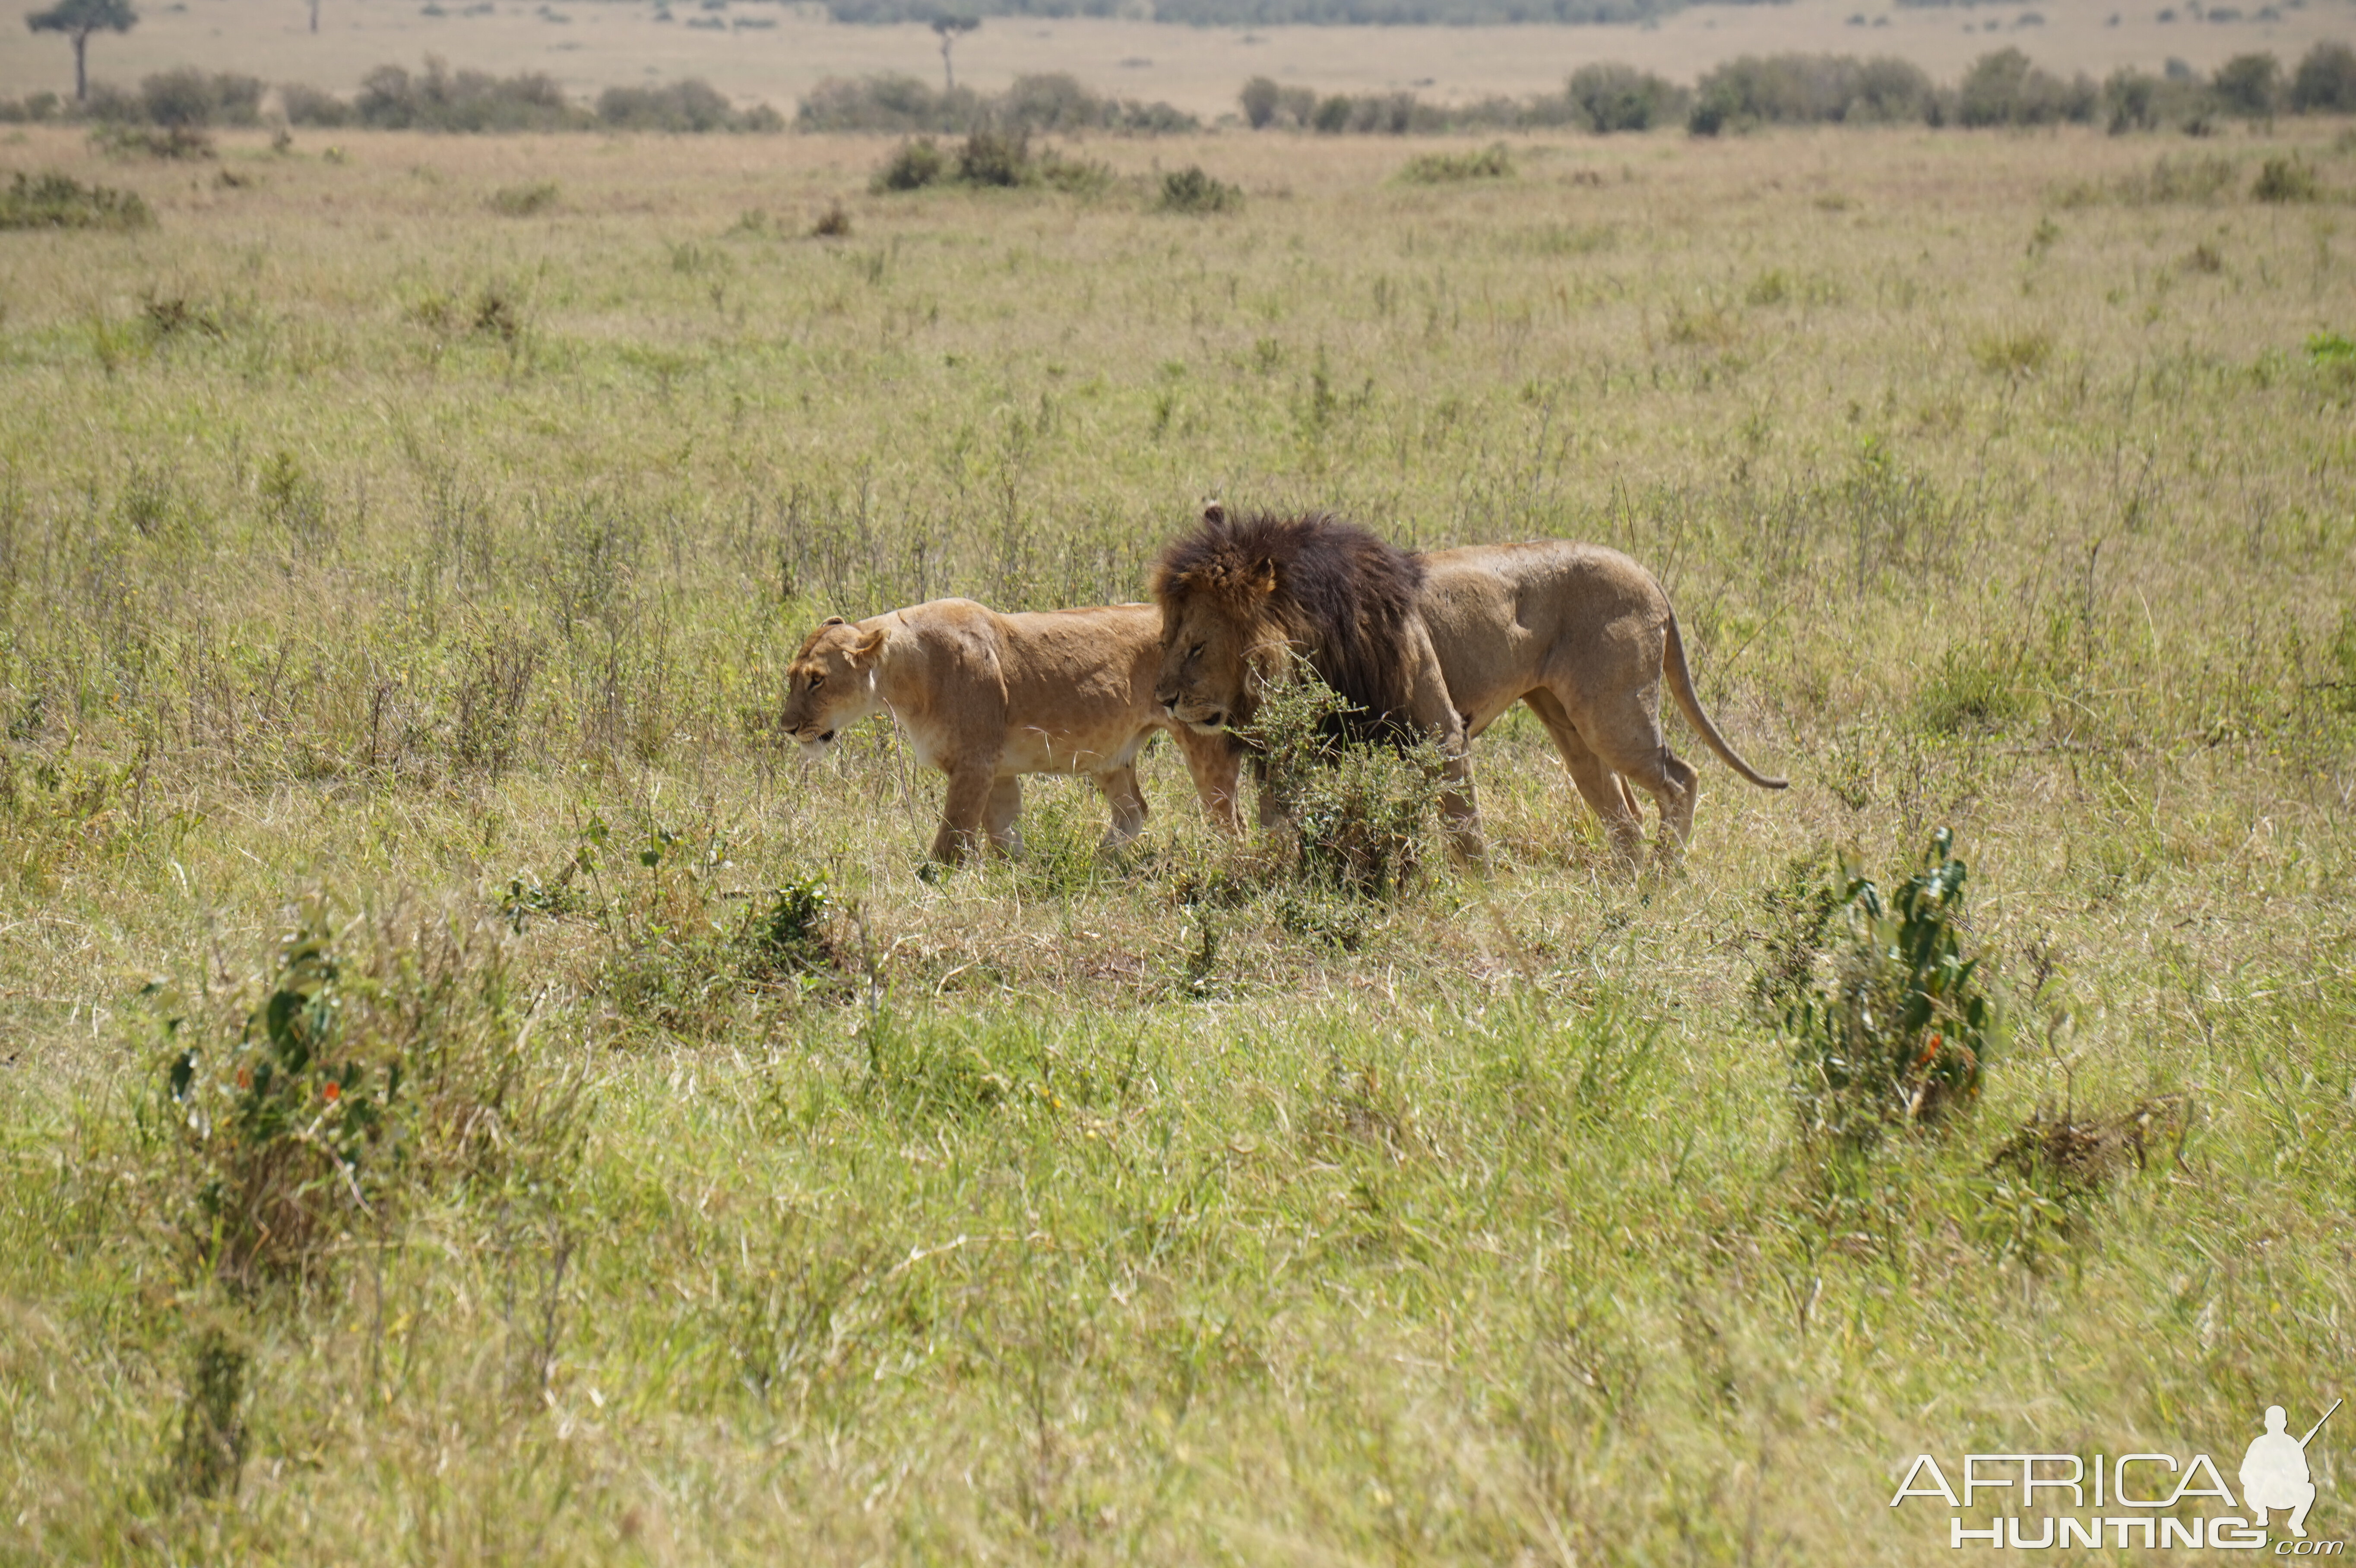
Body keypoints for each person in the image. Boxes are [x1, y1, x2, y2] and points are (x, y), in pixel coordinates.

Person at [2241, 1405, 2317, 1538]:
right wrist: (2260, 1478)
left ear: (2285, 1424)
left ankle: (2296, 1522)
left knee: (2309, 1489)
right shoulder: (2258, 1444)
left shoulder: (2292, 1445)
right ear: (2266, 1424)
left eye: (2278, 1422)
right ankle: (2262, 1514)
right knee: (2274, 1477)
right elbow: (2244, 1474)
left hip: (2285, 1494)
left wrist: (2290, 1474)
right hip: (2258, 1497)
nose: (2275, 1426)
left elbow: (2305, 1475)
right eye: (2272, 1422)